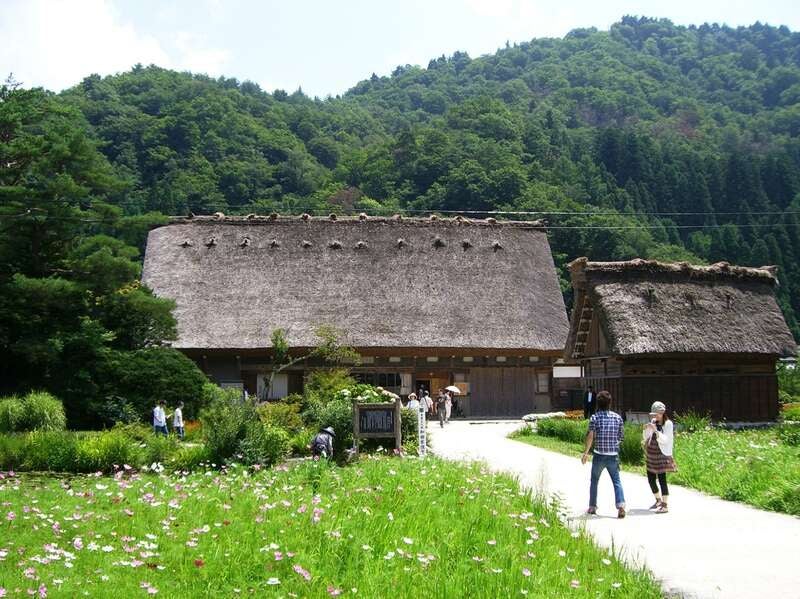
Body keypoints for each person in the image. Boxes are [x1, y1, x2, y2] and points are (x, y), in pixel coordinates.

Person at [581, 390, 626, 518]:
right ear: (610, 403)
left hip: (599, 454)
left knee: (594, 480)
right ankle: (621, 505)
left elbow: (590, 436)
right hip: (613, 455)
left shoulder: (595, 417)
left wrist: (586, 453)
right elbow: (621, 437)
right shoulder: (617, 418)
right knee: (616, 481)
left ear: (597, 404)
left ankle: (592, 506)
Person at [643, 401, 677, 514]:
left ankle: (665, 504)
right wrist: (646, 429)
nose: (655, 416)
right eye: (653, 414)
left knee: (662, 479)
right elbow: (646, 437)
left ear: (662, 413)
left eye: (657, 414)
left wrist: (656, 430)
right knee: (650, 479)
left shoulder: (668, 424)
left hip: (662, 454)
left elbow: (665, 440)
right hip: (651, 453)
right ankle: (657, 500)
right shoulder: (653, 421)